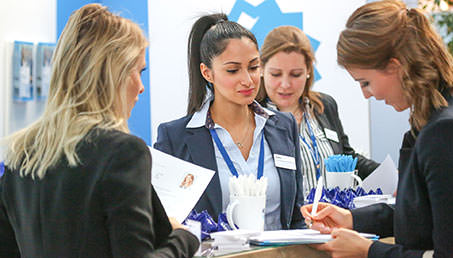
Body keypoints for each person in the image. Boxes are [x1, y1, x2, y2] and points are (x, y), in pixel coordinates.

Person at [0, 4, 199, 257]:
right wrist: (184, 238)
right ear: (110, 74)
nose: (140, 87)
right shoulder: (123, 153)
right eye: (137, 71)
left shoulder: (22, 155)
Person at [301, 0, 453, 257]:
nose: (366, 95)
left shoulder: (444, 132)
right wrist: (352, 219)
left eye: (366, 82)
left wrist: (369, 251)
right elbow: (428, 213)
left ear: (395, 66)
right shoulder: (436, 119)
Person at [154, 13, 305, 230]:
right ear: (207, 73)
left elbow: (296, 217)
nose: (247, 80)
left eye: (254, 67)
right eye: (233, 70)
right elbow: (165, 225)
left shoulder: (284, 125)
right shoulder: (175, 137)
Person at [256, 25, 379, 193]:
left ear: (308, 71)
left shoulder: (324, 105)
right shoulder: (252, 114)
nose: (285, 84)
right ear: (262, 69)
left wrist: (393, 175)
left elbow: (347, 158)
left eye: (296, 74)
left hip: (332, 215)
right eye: (276, 74)